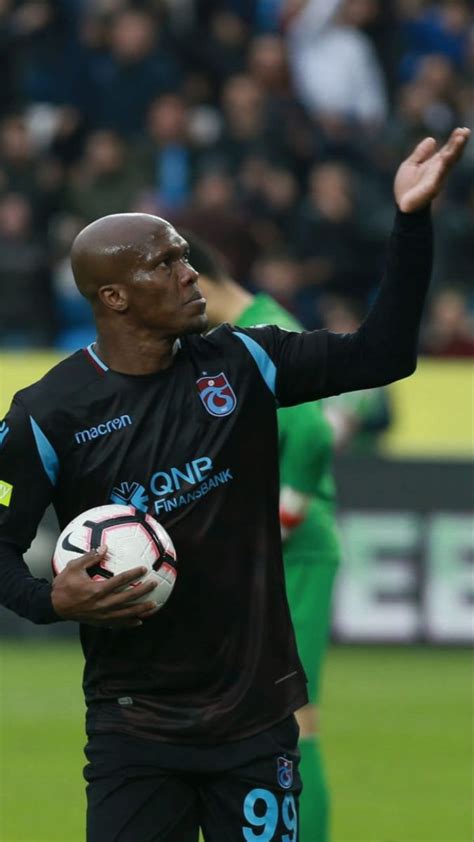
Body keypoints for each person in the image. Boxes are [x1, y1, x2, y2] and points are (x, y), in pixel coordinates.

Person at [0, 128, 469, 841]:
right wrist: (46, 599)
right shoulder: (49, 413)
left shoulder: (246, 361)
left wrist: (410, 223)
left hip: (254, 726)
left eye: (186, 257)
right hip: (135, 730)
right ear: (115, 297)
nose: (192, 275)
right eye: (167, 264)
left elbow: (385, 352)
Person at [182, 230, 340, 841]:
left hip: (295, 557)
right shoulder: (242, 330)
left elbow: (313, 435)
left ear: (195, 275)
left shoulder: (262, 329)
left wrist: (281, 522)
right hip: (275, 557)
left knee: (297, 720)